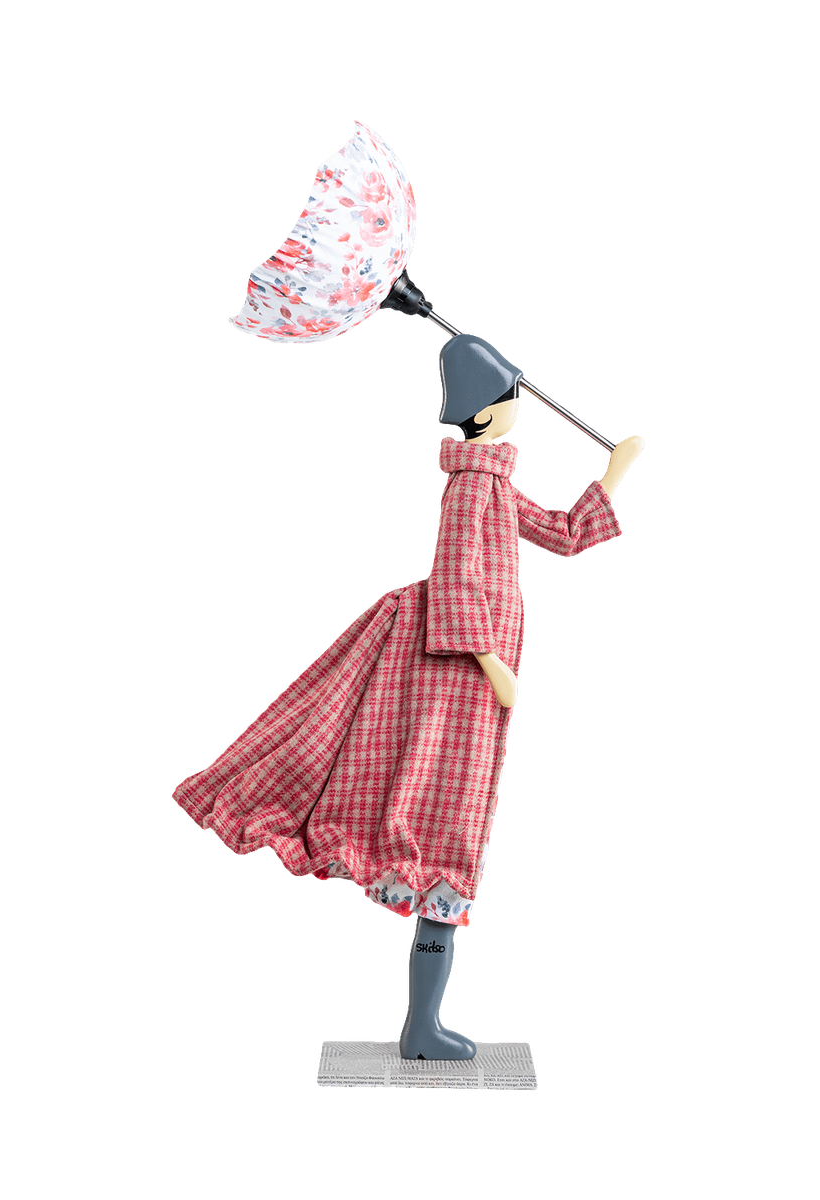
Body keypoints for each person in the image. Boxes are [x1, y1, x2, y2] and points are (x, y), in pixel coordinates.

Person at [171, 334, 644, 1060]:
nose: (519, 407)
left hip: (475, 677)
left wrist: (612, 474)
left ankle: (424, 1022)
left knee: (455, 824)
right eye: (510, 398)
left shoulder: (491, 483)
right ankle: (421, 1025)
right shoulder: (469, 489)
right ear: (483, 415)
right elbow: (455, 578)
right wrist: (491, 662)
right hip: (457, 678)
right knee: (446, 823)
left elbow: (564, 535)